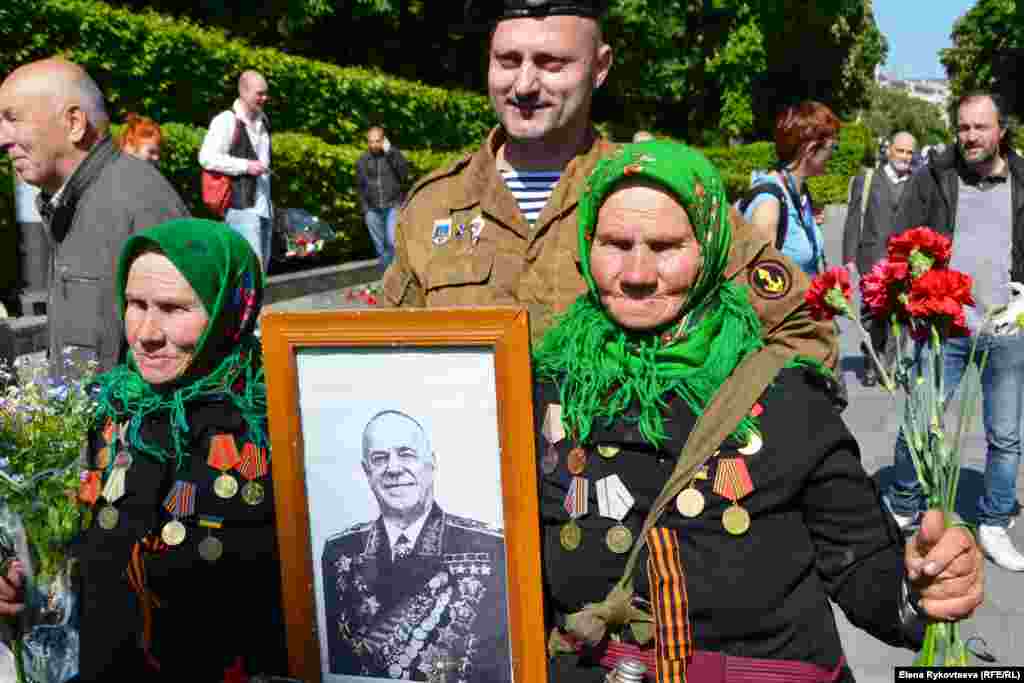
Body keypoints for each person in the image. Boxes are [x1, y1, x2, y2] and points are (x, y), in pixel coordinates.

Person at [533, 141, 983, 682]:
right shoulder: (547, 386)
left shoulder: (782, 391)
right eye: (615, 244)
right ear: (587, 245)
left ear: (711, 249)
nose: (636, 272)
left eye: (665, 246)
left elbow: (861, 563)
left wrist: (923, 584)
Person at [382, 0, 837, 372]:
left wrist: (725, 437)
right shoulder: (433, 206)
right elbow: (383, 356)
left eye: (551, 63)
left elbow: (803, 327)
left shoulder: (661, 192)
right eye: (507, 61)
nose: (523, 84)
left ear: (600, 68)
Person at [0, 219, 287, 680]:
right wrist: (22, 571)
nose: (147, 332)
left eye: (174, 308)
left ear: (229, 310)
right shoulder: (106, 406)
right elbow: (67, 538)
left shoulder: (272, 416)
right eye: (136, 304)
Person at [883, 93, 1024, 571]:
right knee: (921, 421)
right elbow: (901, 242)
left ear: (1001, 130)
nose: (970, 137)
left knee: (1004, 434)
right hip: (946, 327)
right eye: (963, 127)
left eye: (980, 127)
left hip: (1006, 327)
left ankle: (994, 521)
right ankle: (902, 506)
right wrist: (912, 298)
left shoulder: (1022, 179)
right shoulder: (937, 176)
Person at [0, 58, 188, 377]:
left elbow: (179, 360)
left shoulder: (138, 203)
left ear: (74, 123)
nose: (3, 138)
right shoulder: (75, 201)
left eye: (12, 118)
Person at [321, 409, 509, 682]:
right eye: (379, 458)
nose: (394, 468)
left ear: (431, 464)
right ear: (367, 471)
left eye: (406, 453)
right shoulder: (340, 552)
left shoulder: (490, 548)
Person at [842, 131, 917, 386]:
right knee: (872, 315)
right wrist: (849, 256)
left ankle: (888, 364)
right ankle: (872, 361)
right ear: (889, 151)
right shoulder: (867, 178)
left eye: (910, 152)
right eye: (901, 151)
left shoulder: (917, 182)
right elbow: (854, 218)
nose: (905, 157)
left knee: (901, 316)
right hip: (871, 257)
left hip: (903, 263)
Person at [741, 101, 839, 276]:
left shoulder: (797, 192)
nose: (833, 155)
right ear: (810, 149)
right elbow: (758, 285)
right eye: (833, 147)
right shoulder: (769, 204)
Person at [199, 70, 273, 272]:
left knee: (260, 272)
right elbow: (206, 158)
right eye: (260, 94)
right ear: (243, 91)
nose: (264, 98)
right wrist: (246, 166)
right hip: (240, 208)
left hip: (264, 207)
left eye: (265, 93)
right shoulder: (225, 120)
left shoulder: (263, 122)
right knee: (249, 272)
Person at [355, 126, 410, 272]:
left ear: (384, 140)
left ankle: (397, 274)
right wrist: (365, 209)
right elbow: (359, 186)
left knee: (392, 242)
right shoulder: (362, 160)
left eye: (377, 141)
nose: (374, 145)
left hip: (393, 206)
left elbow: (404, 174)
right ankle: (388, 277)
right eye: (371, 142)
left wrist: (391, 151)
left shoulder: (393, 155)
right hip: (372, 210)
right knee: (380, 247)